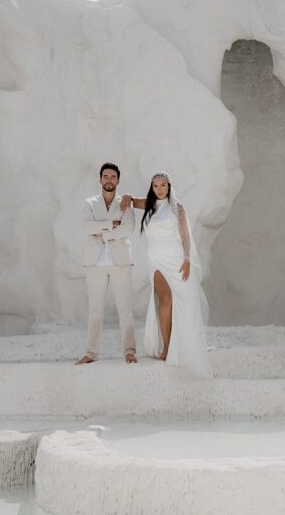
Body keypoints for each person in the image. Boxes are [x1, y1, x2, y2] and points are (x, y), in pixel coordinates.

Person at [121, 172, 212, 378]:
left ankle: (179, 345)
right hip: (156, 261)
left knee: (182, 302)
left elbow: (185, 235)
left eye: (163, 185)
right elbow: (130, 200)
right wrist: (126, 196)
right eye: (155, 186)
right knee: (165, 298)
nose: (160, 189)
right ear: (152, 188)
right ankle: (167, 347)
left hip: (176, 259)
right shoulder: (149, 205)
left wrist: (187, 258)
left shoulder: (177, 208)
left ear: (169, 186)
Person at [77, 162, 137, 365]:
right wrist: (112, 225)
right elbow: (86, 227)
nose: (109, 180)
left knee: (125, 309)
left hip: (121, 261)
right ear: (100, 179)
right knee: (95, 310)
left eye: (113, 177)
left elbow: (128, 228)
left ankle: (129, 351)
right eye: (106, 176)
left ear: (118, 180)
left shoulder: (125, 203)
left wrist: (101, 231)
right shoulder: (89, 203)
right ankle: (90, 352)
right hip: (95, 262)